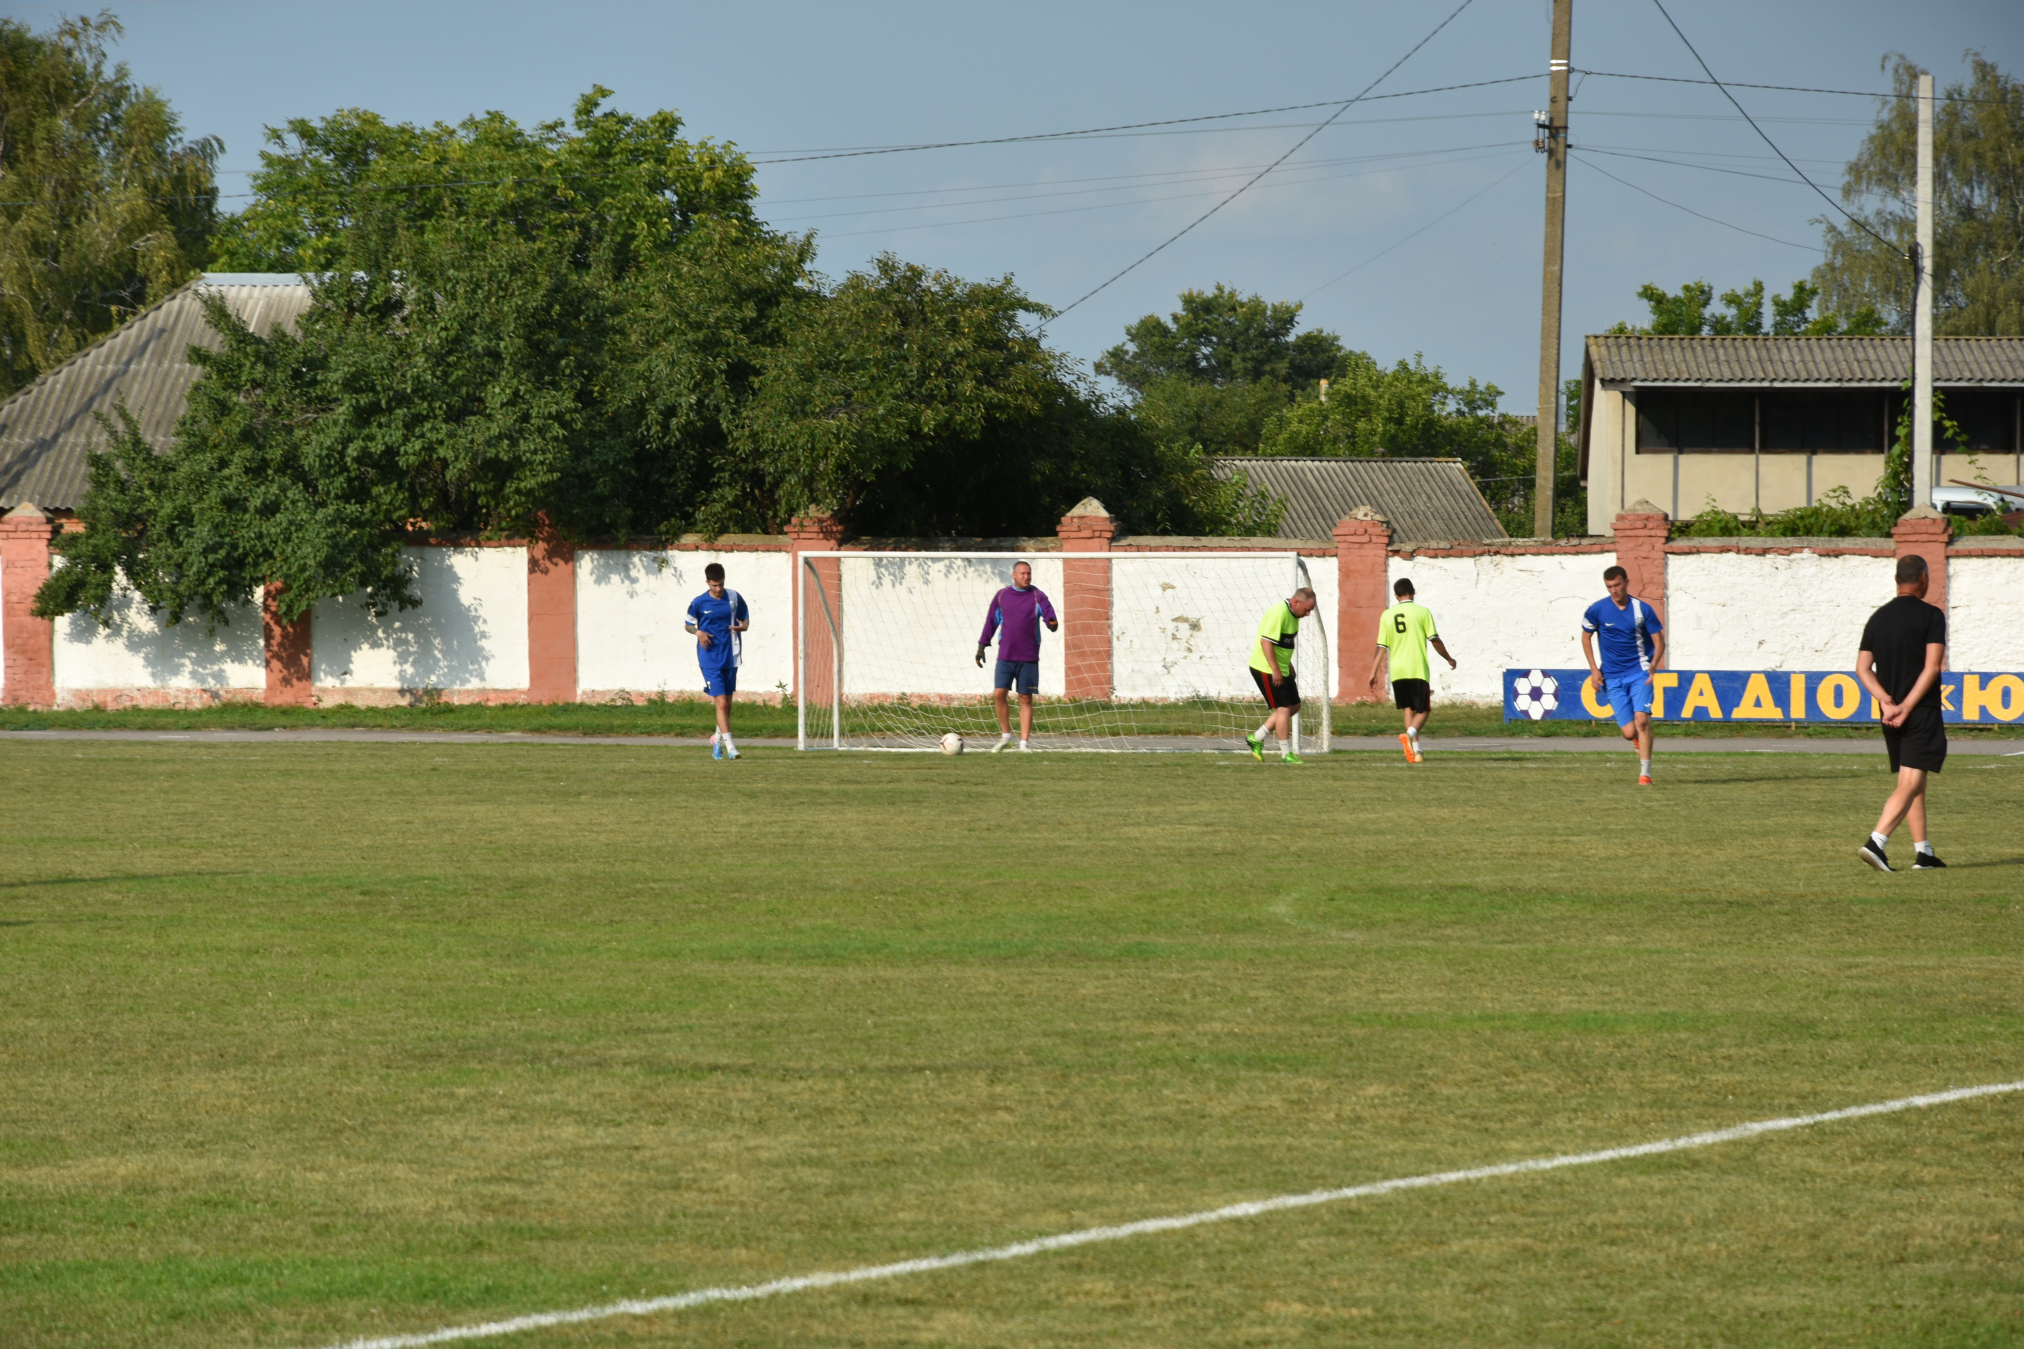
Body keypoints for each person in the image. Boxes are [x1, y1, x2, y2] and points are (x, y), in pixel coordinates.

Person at [1855, 555, 1948, 872]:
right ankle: (1876, 843)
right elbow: (1932, 667)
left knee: (1913, 780)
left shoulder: (1877, 618)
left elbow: (1862, 668)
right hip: (1918, 711)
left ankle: (1924, 853)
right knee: (1910, 782)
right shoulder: (1932, 615)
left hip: (1890, 715)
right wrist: (1907, 706)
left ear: (1897, 580)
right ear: (1923, 578)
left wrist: (1886, 701)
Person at [1580, 565, 1665, 785]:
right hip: (1612, 677)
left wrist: (1653, 666)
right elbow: (1586, 637)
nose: (1614, 590)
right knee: (1628, 732)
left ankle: (1645, 774)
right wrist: (1594, 669)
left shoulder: (1642, 609)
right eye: (1609, 586)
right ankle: (1636, 740)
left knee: (1642, 720)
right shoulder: (1596, 610)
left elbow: (1659, 641)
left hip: (1639, 673)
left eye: (1617, 585)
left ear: (1626, 582)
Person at [1369, 577, 1456, 765]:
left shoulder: (1387, 615)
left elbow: (1381, 646)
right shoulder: (1422, 612)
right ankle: (1409, 735)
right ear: (1413, 592)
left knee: (1408, 708)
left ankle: (1416, 751)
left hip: (1398, 670)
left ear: (1396, 595)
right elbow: (1435, 640)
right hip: (1416, 668)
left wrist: (1373, 672)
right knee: (1424, 709)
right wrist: (1449, 658)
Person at [974, 560, 1059, 752]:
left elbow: (1049, 615)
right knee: (999, 694)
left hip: (1028, 656)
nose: (1026, 576)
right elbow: (991, 622)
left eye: (1029, 573)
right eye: (1022, 573)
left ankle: (1024, 743)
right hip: (1006, 655)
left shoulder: (1038, 596)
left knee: (1025, 698)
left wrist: (1052, 623)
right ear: (1014, 575)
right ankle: (1006, 736)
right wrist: (982, 646)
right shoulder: (1002, 596)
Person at [1245, 587, 1318, 765]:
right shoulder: (1279, 612)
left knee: (1295, 705)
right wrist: (1275, 670)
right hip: (1265, 668)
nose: (1308, 614)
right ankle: (1286, 754)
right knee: (1283, 708)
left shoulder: (1294, 616)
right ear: (1296, 602)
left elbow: (1283, 643)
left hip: (1281, 668)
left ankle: (1257, 738)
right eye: (1307, 609)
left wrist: (1288, 665)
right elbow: (1266, 642)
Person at [685, 562, 749, 760]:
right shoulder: (699, 602)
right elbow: (688, 625)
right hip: (709, 658)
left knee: (727, 705)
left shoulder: (734, 597)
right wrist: (699, 633)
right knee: (720, 702)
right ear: (707, 583)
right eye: (714, 585)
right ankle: (732, 748)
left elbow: (745, 619)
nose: (719, 588)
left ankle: (717, 739)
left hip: (731, 655)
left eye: (721, 584)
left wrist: (743, 627)